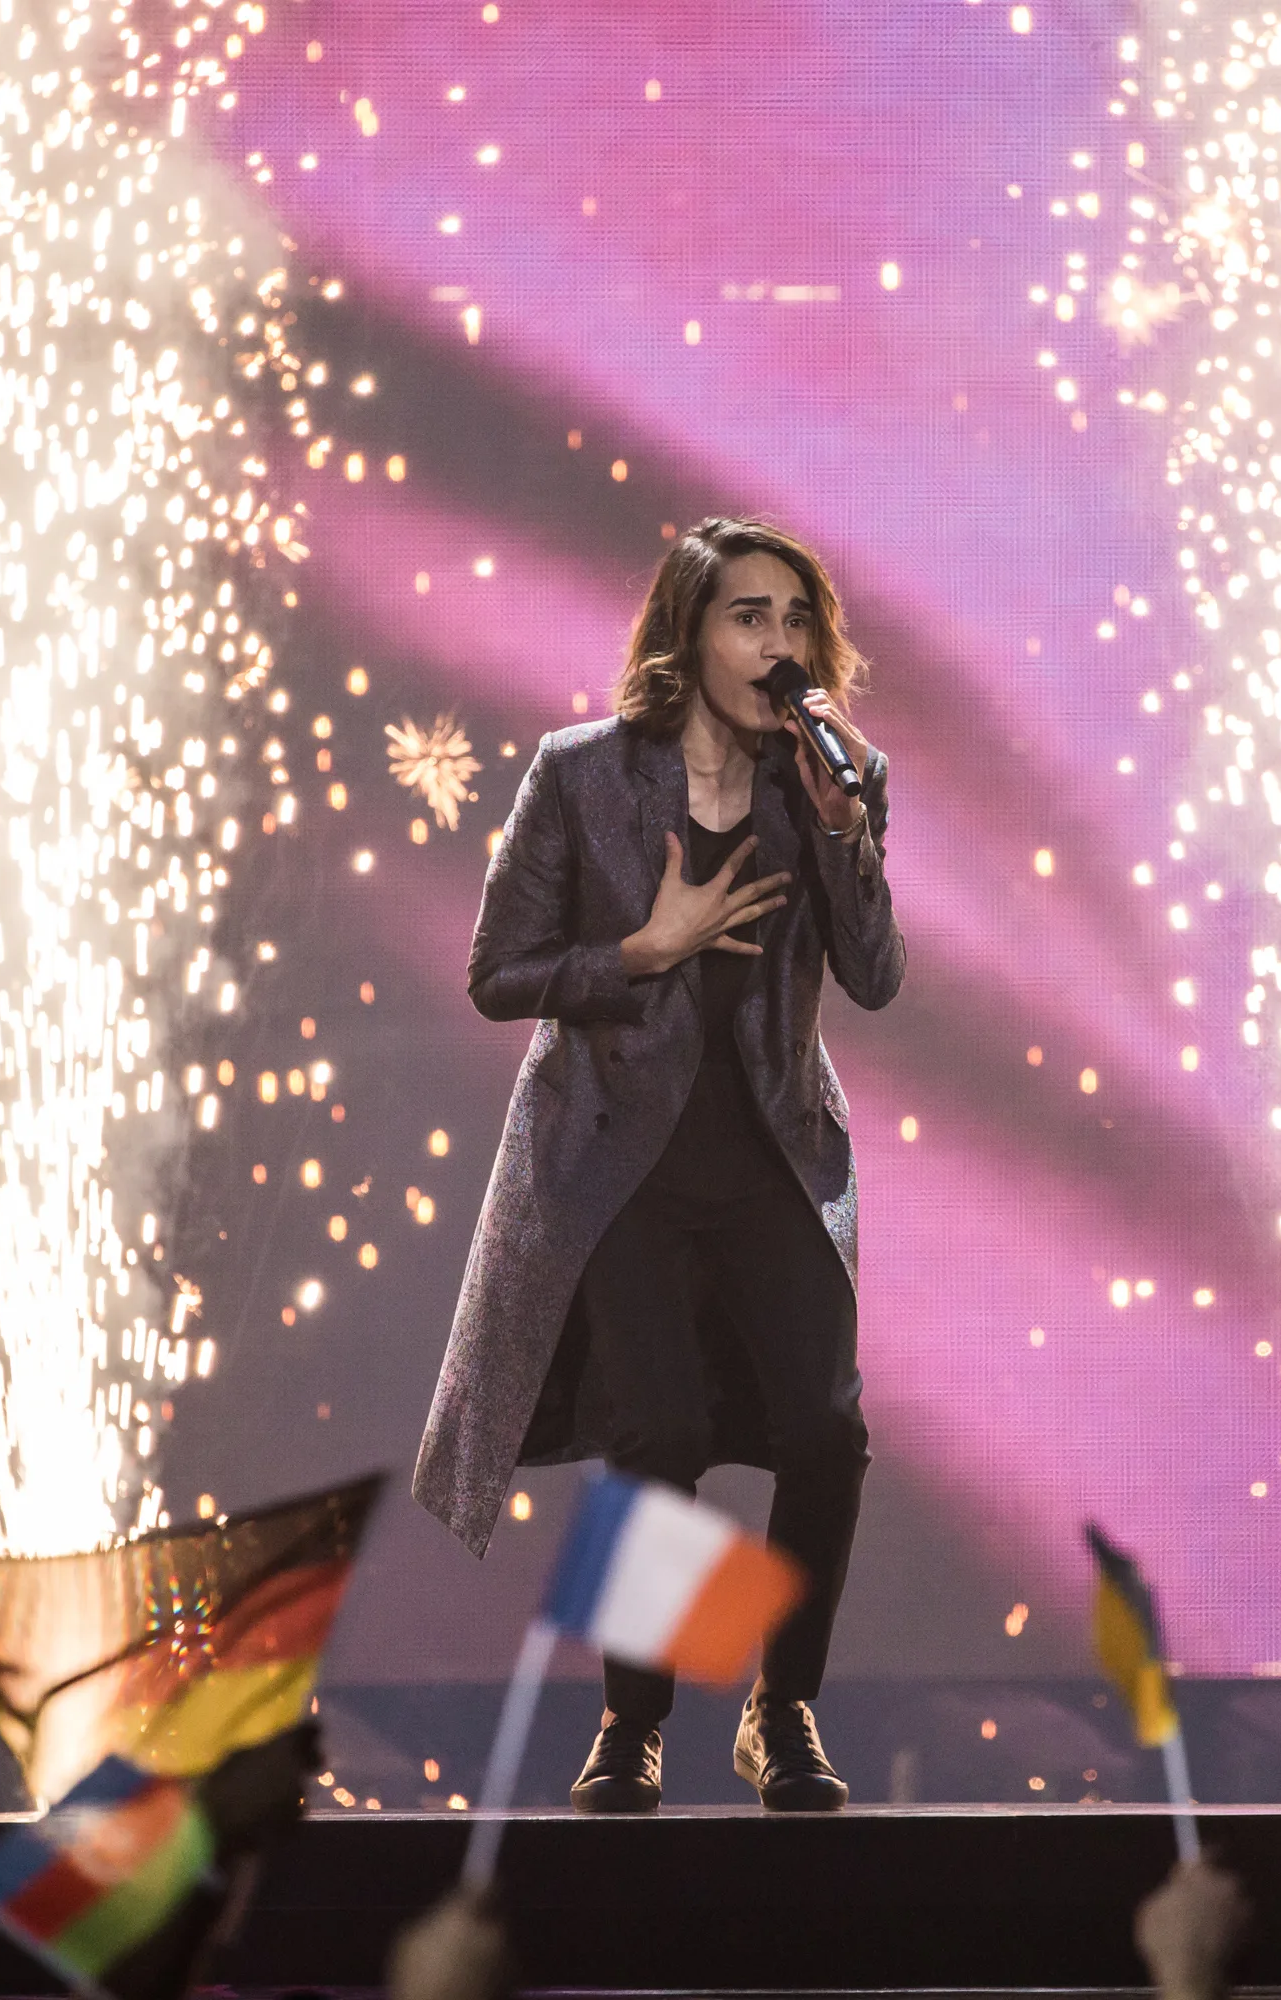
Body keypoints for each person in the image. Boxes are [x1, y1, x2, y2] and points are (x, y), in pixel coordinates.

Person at [411, 517, 905, 1813]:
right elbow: (497, 974)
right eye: (750, 616)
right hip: (617, 1165)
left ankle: (781, 1709)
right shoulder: (581, 774)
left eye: (797, 620)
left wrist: (846, 834)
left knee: (827, 1432)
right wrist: (645, 950)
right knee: (662, 1435)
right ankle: (632, 1723)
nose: (780, 644)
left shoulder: (832, 783)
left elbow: (876, 976)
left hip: (776, 1157)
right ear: (688, 634)